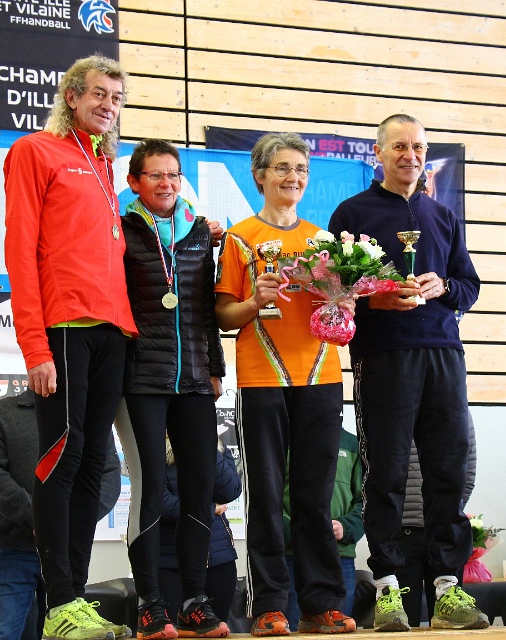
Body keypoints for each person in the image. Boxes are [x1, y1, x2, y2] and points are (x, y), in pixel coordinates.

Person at [328, 113, 486, 631]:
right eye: (399, 146)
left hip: (443, 353)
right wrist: (375, 301)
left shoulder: (443, 216)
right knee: (387, 473)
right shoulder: (352, 213)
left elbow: (469, 285)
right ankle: (388, 588)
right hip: (384, 355)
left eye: (418, 147)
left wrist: (445, 287)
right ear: (378, 153)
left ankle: (447, 588)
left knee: (447, 471)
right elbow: (333, 295)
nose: (410, 156)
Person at [4, 54, 137, 640]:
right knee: (61, 456)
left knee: (89, 463)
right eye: (99, 94)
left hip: (113, 330)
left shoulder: (104, 164)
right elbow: (20, 251)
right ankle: (59, 602)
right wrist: (34, 347)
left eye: (117, 97)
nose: (109, 105)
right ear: (72, 96)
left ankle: (74, 601)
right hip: (63, 327)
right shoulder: (35, 151)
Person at [215, 132, 357, 637]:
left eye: (300, 169)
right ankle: (270, 605)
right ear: (259, 176)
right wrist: (256, 300)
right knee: (267, 495)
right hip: (262, 377)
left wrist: (344, 301)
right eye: (281, 168)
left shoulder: (324, 241)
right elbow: (223, 315)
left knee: (316, 496)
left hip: (321, 374)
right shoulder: (239, 239)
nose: (292, 177)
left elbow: (337, 309)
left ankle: (321, 604)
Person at [117, 139, 229, 639]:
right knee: (149, 489)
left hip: (196, 379)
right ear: (134, 183)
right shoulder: (121, 230)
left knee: (200, 491)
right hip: (142, 378)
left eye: (173, 175)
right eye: (155, 175)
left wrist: (215, 367)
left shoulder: (200, 233)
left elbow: (206, 307)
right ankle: (150, 603)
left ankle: (194, 601)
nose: (166, 183)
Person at [0, 389, 123, 640]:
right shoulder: (2, 413)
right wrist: (43, 519)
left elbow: (108, 476)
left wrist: (68, 522)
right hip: (15, 549)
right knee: (1, 635)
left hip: (67, 553)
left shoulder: (89, 415)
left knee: (70, 635)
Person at [395, 411, 476, 627]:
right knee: (403, 622)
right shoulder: (398, 405)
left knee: (450, 619)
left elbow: (468, 470)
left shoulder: (455, 408)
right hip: (403, 533)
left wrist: (447, 512)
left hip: (443, 533)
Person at [283, 428, 364, 630]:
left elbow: (364, 501)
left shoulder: (353, 444)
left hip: (340, 555)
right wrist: (298, 532)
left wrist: (345, 527)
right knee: (293, 628)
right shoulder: (286, 440)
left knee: (339, 629)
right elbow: (272, 498)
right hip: (294, 555)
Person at [159, 436, 242, 624]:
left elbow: (230, 490)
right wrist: (207, 510)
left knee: (216, 629)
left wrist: (208, 444)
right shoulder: (155, 446)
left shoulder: (217, 446)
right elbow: (159, 501)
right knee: (172, 630)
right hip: (170, 561)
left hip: (218, 558)